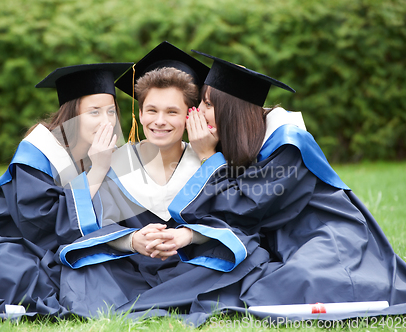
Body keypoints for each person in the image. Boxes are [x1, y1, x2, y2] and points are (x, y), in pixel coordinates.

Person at [174, 50, 406, 322]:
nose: (198, 114)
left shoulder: (287, 144)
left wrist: (208, 157)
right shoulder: (238, 142)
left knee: (302, 282)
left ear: (232, 110)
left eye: (208, 105)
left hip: (326, 233)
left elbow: (244, 208)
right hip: (284, 240)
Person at [57, 42, 266, 324]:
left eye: (172, 112)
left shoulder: (209, 162)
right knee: (82, 268)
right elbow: (78, 230)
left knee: (251, 258)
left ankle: (146, 303)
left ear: (191, 115)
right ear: (139, 113)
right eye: (151, 111)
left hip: (188, 266)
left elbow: (235, 224)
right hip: (127, 268)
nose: (159, 121)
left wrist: (188, 236)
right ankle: (171, 301)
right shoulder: (114, 161)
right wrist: (131, 240)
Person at [0, 62, 133, 317]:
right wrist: (96, 171)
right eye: (94, 112)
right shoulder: (39, 151)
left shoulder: (102, 155)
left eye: (111, 111)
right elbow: (42, 224)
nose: (106, 121)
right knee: (27, 272)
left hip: (26, 245)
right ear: (72, 116)